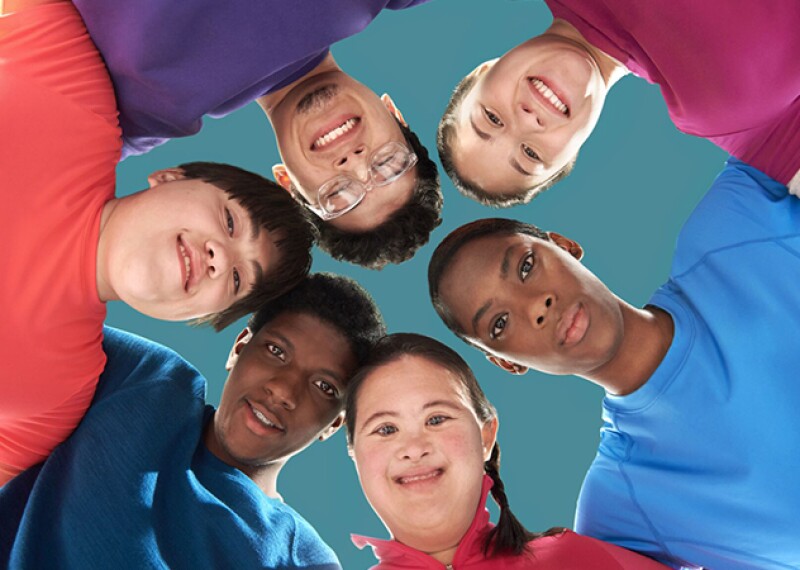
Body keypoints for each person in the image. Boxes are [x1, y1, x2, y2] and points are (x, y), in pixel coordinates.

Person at [427, 158, 800, 569]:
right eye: (499, 323)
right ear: (508, 363)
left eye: (526, 266)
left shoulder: (731, 229)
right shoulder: (622, 509)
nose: (536, 306)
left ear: (565, 246)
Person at [0, 0, 314, 484]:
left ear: (197, 318)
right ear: (170, 176)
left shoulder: (60, 393)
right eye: (230, 223)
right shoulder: (75, 97)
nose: (216, 257)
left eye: (234, 278)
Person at [0, 273, 386, 568]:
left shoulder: (301, 559)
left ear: (334, 425)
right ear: (239, 348)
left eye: (323, 385)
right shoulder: (149, 380)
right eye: (275, 350)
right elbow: (22, 320)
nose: (284, 390)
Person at [72, 0, 443, 268]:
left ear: (287, 184)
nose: (356, 163)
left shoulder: (143, 117)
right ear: (396, 114)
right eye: (388, 165)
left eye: (340, 194)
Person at [344, 333, 668, 569]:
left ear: (486, 436)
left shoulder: (583, 562)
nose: (414, 449)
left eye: (437, 419)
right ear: (355, 455)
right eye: (386, 429)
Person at [437, 0, 800, 206]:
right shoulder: (723, 112)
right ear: (569, 158)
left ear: (482, 70)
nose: (527, 120)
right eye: (531, 155)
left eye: (491, 118)